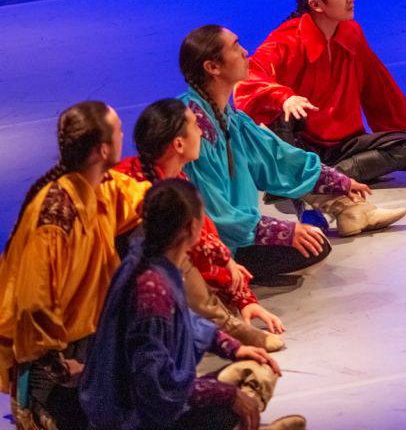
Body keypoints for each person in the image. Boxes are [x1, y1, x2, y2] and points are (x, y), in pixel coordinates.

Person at [179, 25, 406, 281]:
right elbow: (212, 214)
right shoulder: (194, 129)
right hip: (210, 241)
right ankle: (218, 276)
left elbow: (277, 157)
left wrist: (338, 182)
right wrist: (284, 231)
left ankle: (348, 208)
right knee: (312, 245)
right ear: (212, 67)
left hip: (232, 227)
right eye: (235, 47)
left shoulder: (229, 117)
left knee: (311, 241)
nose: (244, 52)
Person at [81, 178, 305, 430]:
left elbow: (187, 320)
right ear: (191, 228)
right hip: (135, 419)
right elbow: (155, 387)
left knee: (256, 369)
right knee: (238, 391)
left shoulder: (149, 260)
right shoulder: (151, 291)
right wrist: (227, 394)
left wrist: (233, 348)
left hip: (145, 404)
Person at [0, 101, 148, 430]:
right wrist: (61, 367)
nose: (124, 135)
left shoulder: (101, 187)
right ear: (102, 149)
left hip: (87, 343)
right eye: (118, 130)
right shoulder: (54, 219)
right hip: (51, 363)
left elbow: (141, 198)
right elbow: (34, 305)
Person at [235, 0, 406, 183]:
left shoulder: (352, 33)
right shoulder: (287, 39)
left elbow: (378, 86)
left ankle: (321, 178)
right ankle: (315, 175)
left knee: (404, 147)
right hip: (303, 144)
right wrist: (284, 97)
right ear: (316, 4)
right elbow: (248, 76)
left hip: (344, 144)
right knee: (282, 115)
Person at [115, 99, 285, 352]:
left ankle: (220, 323)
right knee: (176, 257)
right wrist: (224, 260)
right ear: (178, 144)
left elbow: (206, 235)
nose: (202, 133)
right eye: (195, 126)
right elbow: (195, 244)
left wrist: (244, 298)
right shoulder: (131, 182)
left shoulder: (180, 179)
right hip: (124, 286)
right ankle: (228, 329)